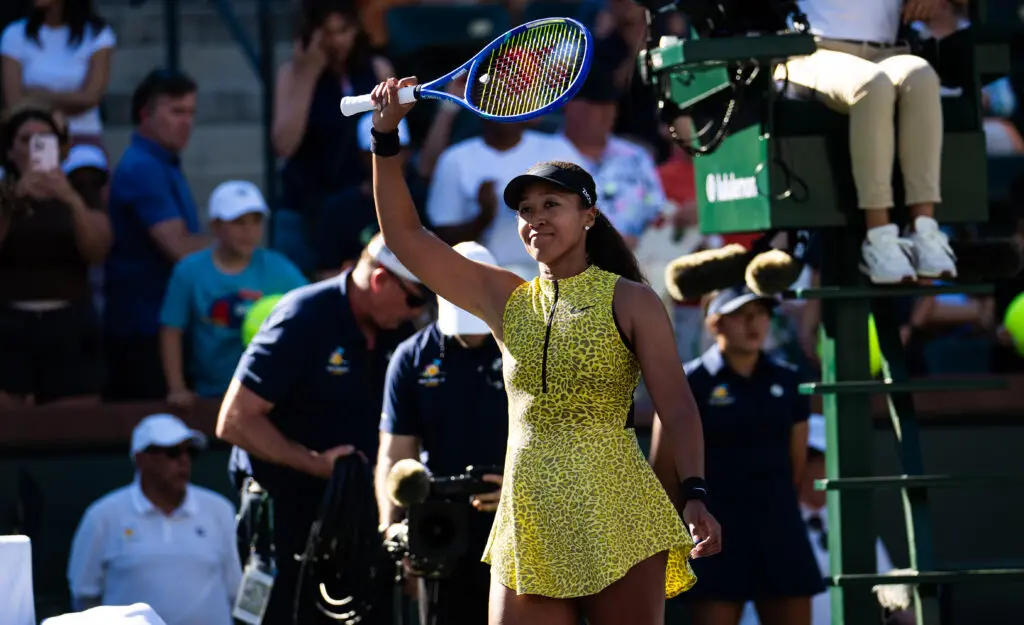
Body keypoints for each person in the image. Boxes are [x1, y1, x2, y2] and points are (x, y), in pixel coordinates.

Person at [367, 76, 721, 625]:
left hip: (618, 511)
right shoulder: (503, 296)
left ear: (588, 217)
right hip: (528, 518)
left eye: (551, 204)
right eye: (525, 209)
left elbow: (676, 404)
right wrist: (385, 138)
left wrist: (694, 492)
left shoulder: (632, 300)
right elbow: (405, 238)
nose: (535, 218)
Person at [214, 233, 428, 625]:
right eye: (414, 299)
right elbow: (235, 420)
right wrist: (313, 463)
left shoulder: (398, 331)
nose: (416, 312)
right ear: (380, 280)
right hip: (286, 513)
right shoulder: (304, 316)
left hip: (361, 514)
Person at [375, 241, 509, 625]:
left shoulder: (527, 346)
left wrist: (521, 489)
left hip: (518, 526)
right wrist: (394, 531)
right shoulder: (412, 357)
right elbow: (395, 454)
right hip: (438, 532)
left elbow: (562, 437)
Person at [780, 0, 958, 284]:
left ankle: (924, 230)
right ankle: (879, 238)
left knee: (922, 76)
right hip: (810, 53)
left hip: (886, 50)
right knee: (871, 85)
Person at [681, 286, 823, 625]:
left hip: (779, 532)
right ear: (715, 324)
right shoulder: (691, 381)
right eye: (741, 315)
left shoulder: (788, 380)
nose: (754, 323)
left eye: (760, 313)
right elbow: (668, 466)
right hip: (712, 536)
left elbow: (796, 464)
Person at [66, 414, 241, 625]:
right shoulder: (102, 516)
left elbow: (238, 589)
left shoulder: (220, 509)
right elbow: (84, 596)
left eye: (190, 452)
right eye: (172, 452)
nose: (183, 460)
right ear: (142, 459)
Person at [739, 414, 905, 625]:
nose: (819, 470)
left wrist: (901, 608)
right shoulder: (765, 522)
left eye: (824, 459)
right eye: (813, 459)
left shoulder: (854, 526)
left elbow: (886, 586)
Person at [104, 68, 209, 401]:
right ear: (144, 114)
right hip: (142, 331)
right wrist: (230, 247)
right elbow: (180, 249)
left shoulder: (162, 163)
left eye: (191, 112)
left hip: (160, 325)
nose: (186, 122)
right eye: (176, 111)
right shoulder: (142, 167)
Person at [0, 100, 110, 407]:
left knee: (76, 419)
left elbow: (97, 251)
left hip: (69, 322)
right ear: (10, 150)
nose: (36, 147)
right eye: (26, 140)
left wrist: (71, 201)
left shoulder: (81, 189)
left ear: (61, 149)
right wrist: (14, 198)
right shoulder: (4, 191)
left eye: (46, 139)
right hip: (9, 324)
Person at [159, 180, 307, 407]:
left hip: (270, 395)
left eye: (256, 221)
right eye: (239, 222)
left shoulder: (281, 268)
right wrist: (177, 388)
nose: (249, 231)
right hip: (211, 393)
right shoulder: (188, 271)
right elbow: (171, 330)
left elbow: (312, 313)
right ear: (216, 226)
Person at [271, 0, 392, 274]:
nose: (337, 41)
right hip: (304, 206)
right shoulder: (292, 74)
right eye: (327, 32)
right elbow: (284, 144)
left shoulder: (378, 70)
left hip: (357, 208)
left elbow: (396, 135)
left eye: (343, 30)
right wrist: (309, 72)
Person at [0, 0, 116, 148]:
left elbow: (91, 97)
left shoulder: (97, 34)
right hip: (32, 138)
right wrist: (68, 102)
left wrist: (38, 96)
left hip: (82, 134)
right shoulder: (14, 34)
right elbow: (14, 102)